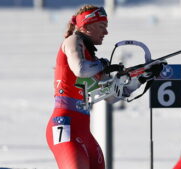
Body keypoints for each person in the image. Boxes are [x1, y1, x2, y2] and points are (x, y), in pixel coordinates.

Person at [46, 4, 160, 169]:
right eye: (102, 27)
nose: (106, 32)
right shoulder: (73, 41)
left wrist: (141, 76)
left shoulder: (94, 61)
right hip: (65, 125)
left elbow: (113, 96)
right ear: (86, 25)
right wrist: (103, 66)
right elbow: (80, 69)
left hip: (83, 131)